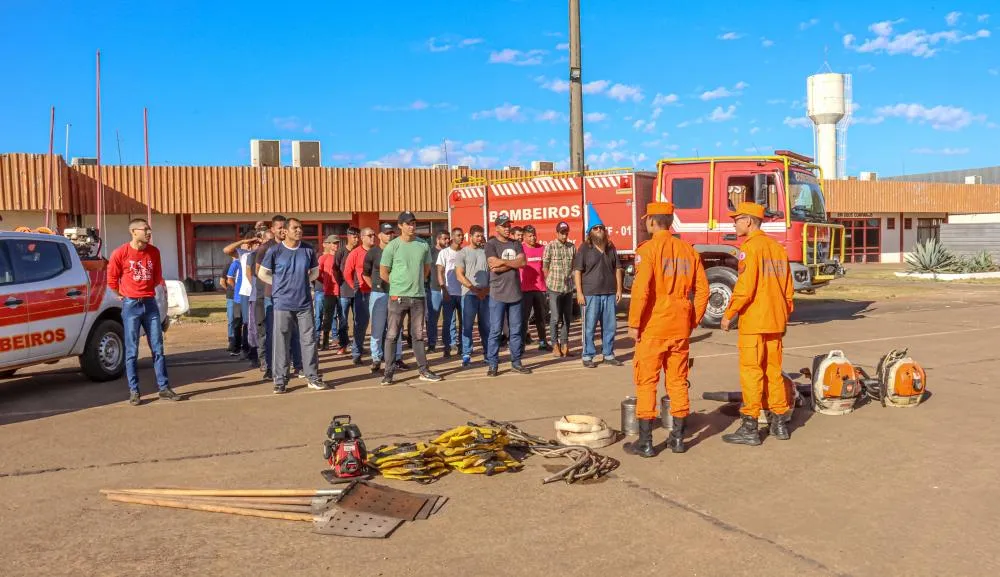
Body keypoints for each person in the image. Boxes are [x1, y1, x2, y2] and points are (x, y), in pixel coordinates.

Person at [623, 202, 709, 457]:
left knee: (647, 381)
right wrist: (692, 319)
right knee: (678, 381)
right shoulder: (688, 251)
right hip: (679, 327)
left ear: (651, 221)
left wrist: (633, 324)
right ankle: (678, 440)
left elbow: (642, 290)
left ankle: (646, 443)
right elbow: (703, 290)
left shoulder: (648, 250)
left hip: (654, 326)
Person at [720, 202, 795, 446]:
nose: (734, 223)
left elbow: (745, 287)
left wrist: (729, 313)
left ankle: (750, 427)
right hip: (775, 321)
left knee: (752, 373)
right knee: (773, 373)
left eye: (737, 219)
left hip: (754, 322)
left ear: (749, 221)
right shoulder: (777, 248)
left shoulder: (750, 249)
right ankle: (780, 424)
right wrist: (784, 315)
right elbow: (788, 290)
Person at [107, 217, 181, 405]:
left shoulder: (153, 252)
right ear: (133, 232)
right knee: (132, 349)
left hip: (150, 304)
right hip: (131, 305)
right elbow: (112, 280)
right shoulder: (120, 253)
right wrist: (123, 294)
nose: (149, 232)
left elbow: (157, 277)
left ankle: (163, 387)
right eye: (145, 229)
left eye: (149, 229)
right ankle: (134, 391)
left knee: (157, 347)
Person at [258, 217, 327, 393]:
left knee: (309, 341)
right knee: (281, 341)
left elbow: (315, 272)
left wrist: (303, 282)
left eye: (300, 228)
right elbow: (262, 273)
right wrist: (279, 284)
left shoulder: (307, 250)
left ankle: (312, 377)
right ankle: (280, 380)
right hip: (282, 303)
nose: (298, 231)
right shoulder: (275, 251)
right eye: (295, 228)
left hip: (304, 303)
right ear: (285, 231)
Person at [379, 211, 443, 385]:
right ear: (400, 226)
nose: (412, 226)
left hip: (418, 297)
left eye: (414, 223)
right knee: (392, 335)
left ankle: (423, 370)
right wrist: (398, 285)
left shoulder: (423, 245)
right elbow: (384, 272)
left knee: (417, 336)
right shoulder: (393, 246)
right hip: (397, 298)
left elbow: (427, 269)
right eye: (408, 223)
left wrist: (417, 283)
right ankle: (388, 373)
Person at [255, 216, 303, 380]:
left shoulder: (295, 246)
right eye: (279, 227)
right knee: (274, 334)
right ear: (273, 229)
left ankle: (299, 366)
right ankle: (270, 368)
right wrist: (278, 284)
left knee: (295, 333)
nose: (283, 230)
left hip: (294, 296)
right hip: (272, 296)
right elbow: (259, 272)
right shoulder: (266, 248)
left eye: (285, 227)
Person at [573, 214, 623, 368]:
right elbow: (577, 271)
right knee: (589, 327)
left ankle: (608, 354)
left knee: (610, 326)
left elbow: (618, 269)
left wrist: (619, 289)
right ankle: (588, 355)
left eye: (601, 228)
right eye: (596, 228)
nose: (599, 230)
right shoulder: (584, 248)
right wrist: (579, 293)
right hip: (590, 294)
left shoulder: (610, 247)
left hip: (609, 292)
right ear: (590, 232)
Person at [484, 215, 531, 377]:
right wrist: (513, 264)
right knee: (496, 331)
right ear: (496, 227)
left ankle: (516, 362)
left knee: (517, 330)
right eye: (504, 225)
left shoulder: (516, 243)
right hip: (497, 294)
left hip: (516, 294)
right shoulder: (490, 244)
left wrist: (502, 262)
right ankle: (493, 364)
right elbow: (493, 266)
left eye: (508, 225)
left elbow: (523, 263)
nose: (507, 228)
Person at [365, 223, 404, 373]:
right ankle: (376, 358)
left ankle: (397, 357)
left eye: (391, 233)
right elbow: (365, 273)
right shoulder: (373, 252)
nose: (389, 236)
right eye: (386, 233)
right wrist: (374, 288)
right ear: (379, 235)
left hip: (395, 293)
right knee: (377, 328)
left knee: (396, 328)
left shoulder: (397, 250)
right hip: (378, 294)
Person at [455, 225, 490, 368]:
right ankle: (466, 354)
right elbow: (459, 275)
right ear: (470, 236)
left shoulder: (487, 253)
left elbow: (493, 274)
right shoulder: (462, 253)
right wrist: (474, 289)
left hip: (486, 295)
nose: (480, 238)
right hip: (469, 295)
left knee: (486, 326)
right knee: (467, 326)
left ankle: (488, 354)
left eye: (481, 236)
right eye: (477, 236)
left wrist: (485, 290)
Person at [543, 221, 577, 357]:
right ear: (557, 233)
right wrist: (548, 281)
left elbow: (575, 266)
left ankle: (565, 345)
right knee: (555, 317)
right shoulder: (550, 247)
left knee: (567, 317)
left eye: (566, 233)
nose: (564, 235)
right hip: (554, 287)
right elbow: (545, 266)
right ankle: (554, 345)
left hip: (568, 288)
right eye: (562, 233)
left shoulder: (572, 247)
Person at [344, 227, 375, 365]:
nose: (373, 237)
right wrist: (353, 287)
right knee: (361, 324)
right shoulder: (355, 253)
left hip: (379, 292)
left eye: (374, 235)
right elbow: (347, 272)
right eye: (369, 235)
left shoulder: (378, 252)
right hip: (362, 292)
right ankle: (357, 353)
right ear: (362, 237)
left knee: (381, 324)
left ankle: (380, 353)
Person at [519, 225, 550, 351]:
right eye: (530, 236)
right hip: (525, 289)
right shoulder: (520, 249)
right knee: (524, 318)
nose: (533, 238)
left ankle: (543, 342)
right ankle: (520, 344)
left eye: (534, 235)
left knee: (541, 317)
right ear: (524, 237)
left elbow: (547, 267)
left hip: (540, 289)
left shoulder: (542, 248)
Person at [436, 227, 465, 359]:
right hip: (449, 293)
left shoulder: (465, 252)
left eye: (462, 236)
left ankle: (462, 348)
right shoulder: (444, 253)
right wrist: (444, 289)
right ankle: (447, 348)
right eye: (458, 235)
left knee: (464, 322)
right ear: (452, 237)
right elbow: (440, 272)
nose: (461, 238)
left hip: (463, 293)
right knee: (447, 322)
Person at [334, 227, 361, 355]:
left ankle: (357, 346)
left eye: (358, 237)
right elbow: (335, 269)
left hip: (358, 290)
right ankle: (343, 345)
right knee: (343, 320)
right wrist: (340, 283)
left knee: (358, 320)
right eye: (354, 237)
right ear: (348, 237)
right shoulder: (341, 252)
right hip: (344, 291)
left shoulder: (360, 251)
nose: (356, 239)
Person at [425, 230, 450, 353]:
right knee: (432, 318)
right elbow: (426, 270)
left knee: (449, 319)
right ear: (437, 239)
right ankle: (431, 343)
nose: (447, 241)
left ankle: (450, 343)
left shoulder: (450, 252)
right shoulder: (431, 252)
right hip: (434, 289)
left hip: (449, 290)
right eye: (444, 238)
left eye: (448, 239)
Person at [317, 235, 341, 350]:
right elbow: (317, 274)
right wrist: (325, 283)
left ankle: (341, 341)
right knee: (328, 317)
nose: (335, 245)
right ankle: (325, 341)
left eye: (337, 243)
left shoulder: (341, 256)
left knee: (343, 317)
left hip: (342, 291)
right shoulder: (323, 258)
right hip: (329, 292)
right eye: (333, 243)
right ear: (329, 244)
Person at [224, 257, 242, 355]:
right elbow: (225, 280)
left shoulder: (253, 260)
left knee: (249, 325)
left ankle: (248, 347)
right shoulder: (233, 264)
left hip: (249, 297)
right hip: (234, 297)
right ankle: (234, 344)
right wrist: (236, 289)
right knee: (234, 322)